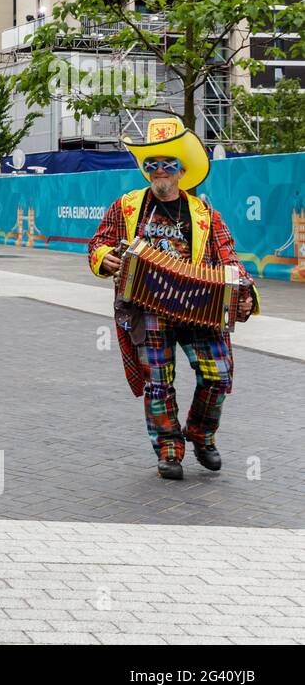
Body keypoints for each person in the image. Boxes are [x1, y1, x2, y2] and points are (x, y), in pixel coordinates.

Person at [88, 117, 258, 480]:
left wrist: (245, 292)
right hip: (148, 307)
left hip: (201, 306)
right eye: (151, 164)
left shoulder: (204, 214)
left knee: (218, 375)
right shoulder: (128, 206)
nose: (159, 170)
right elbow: (97, 244)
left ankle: (200, 434)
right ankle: (168, 449)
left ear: (181, 170)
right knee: (158, 382)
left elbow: (229, 257)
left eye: (167, 164)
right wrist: (104, 258)